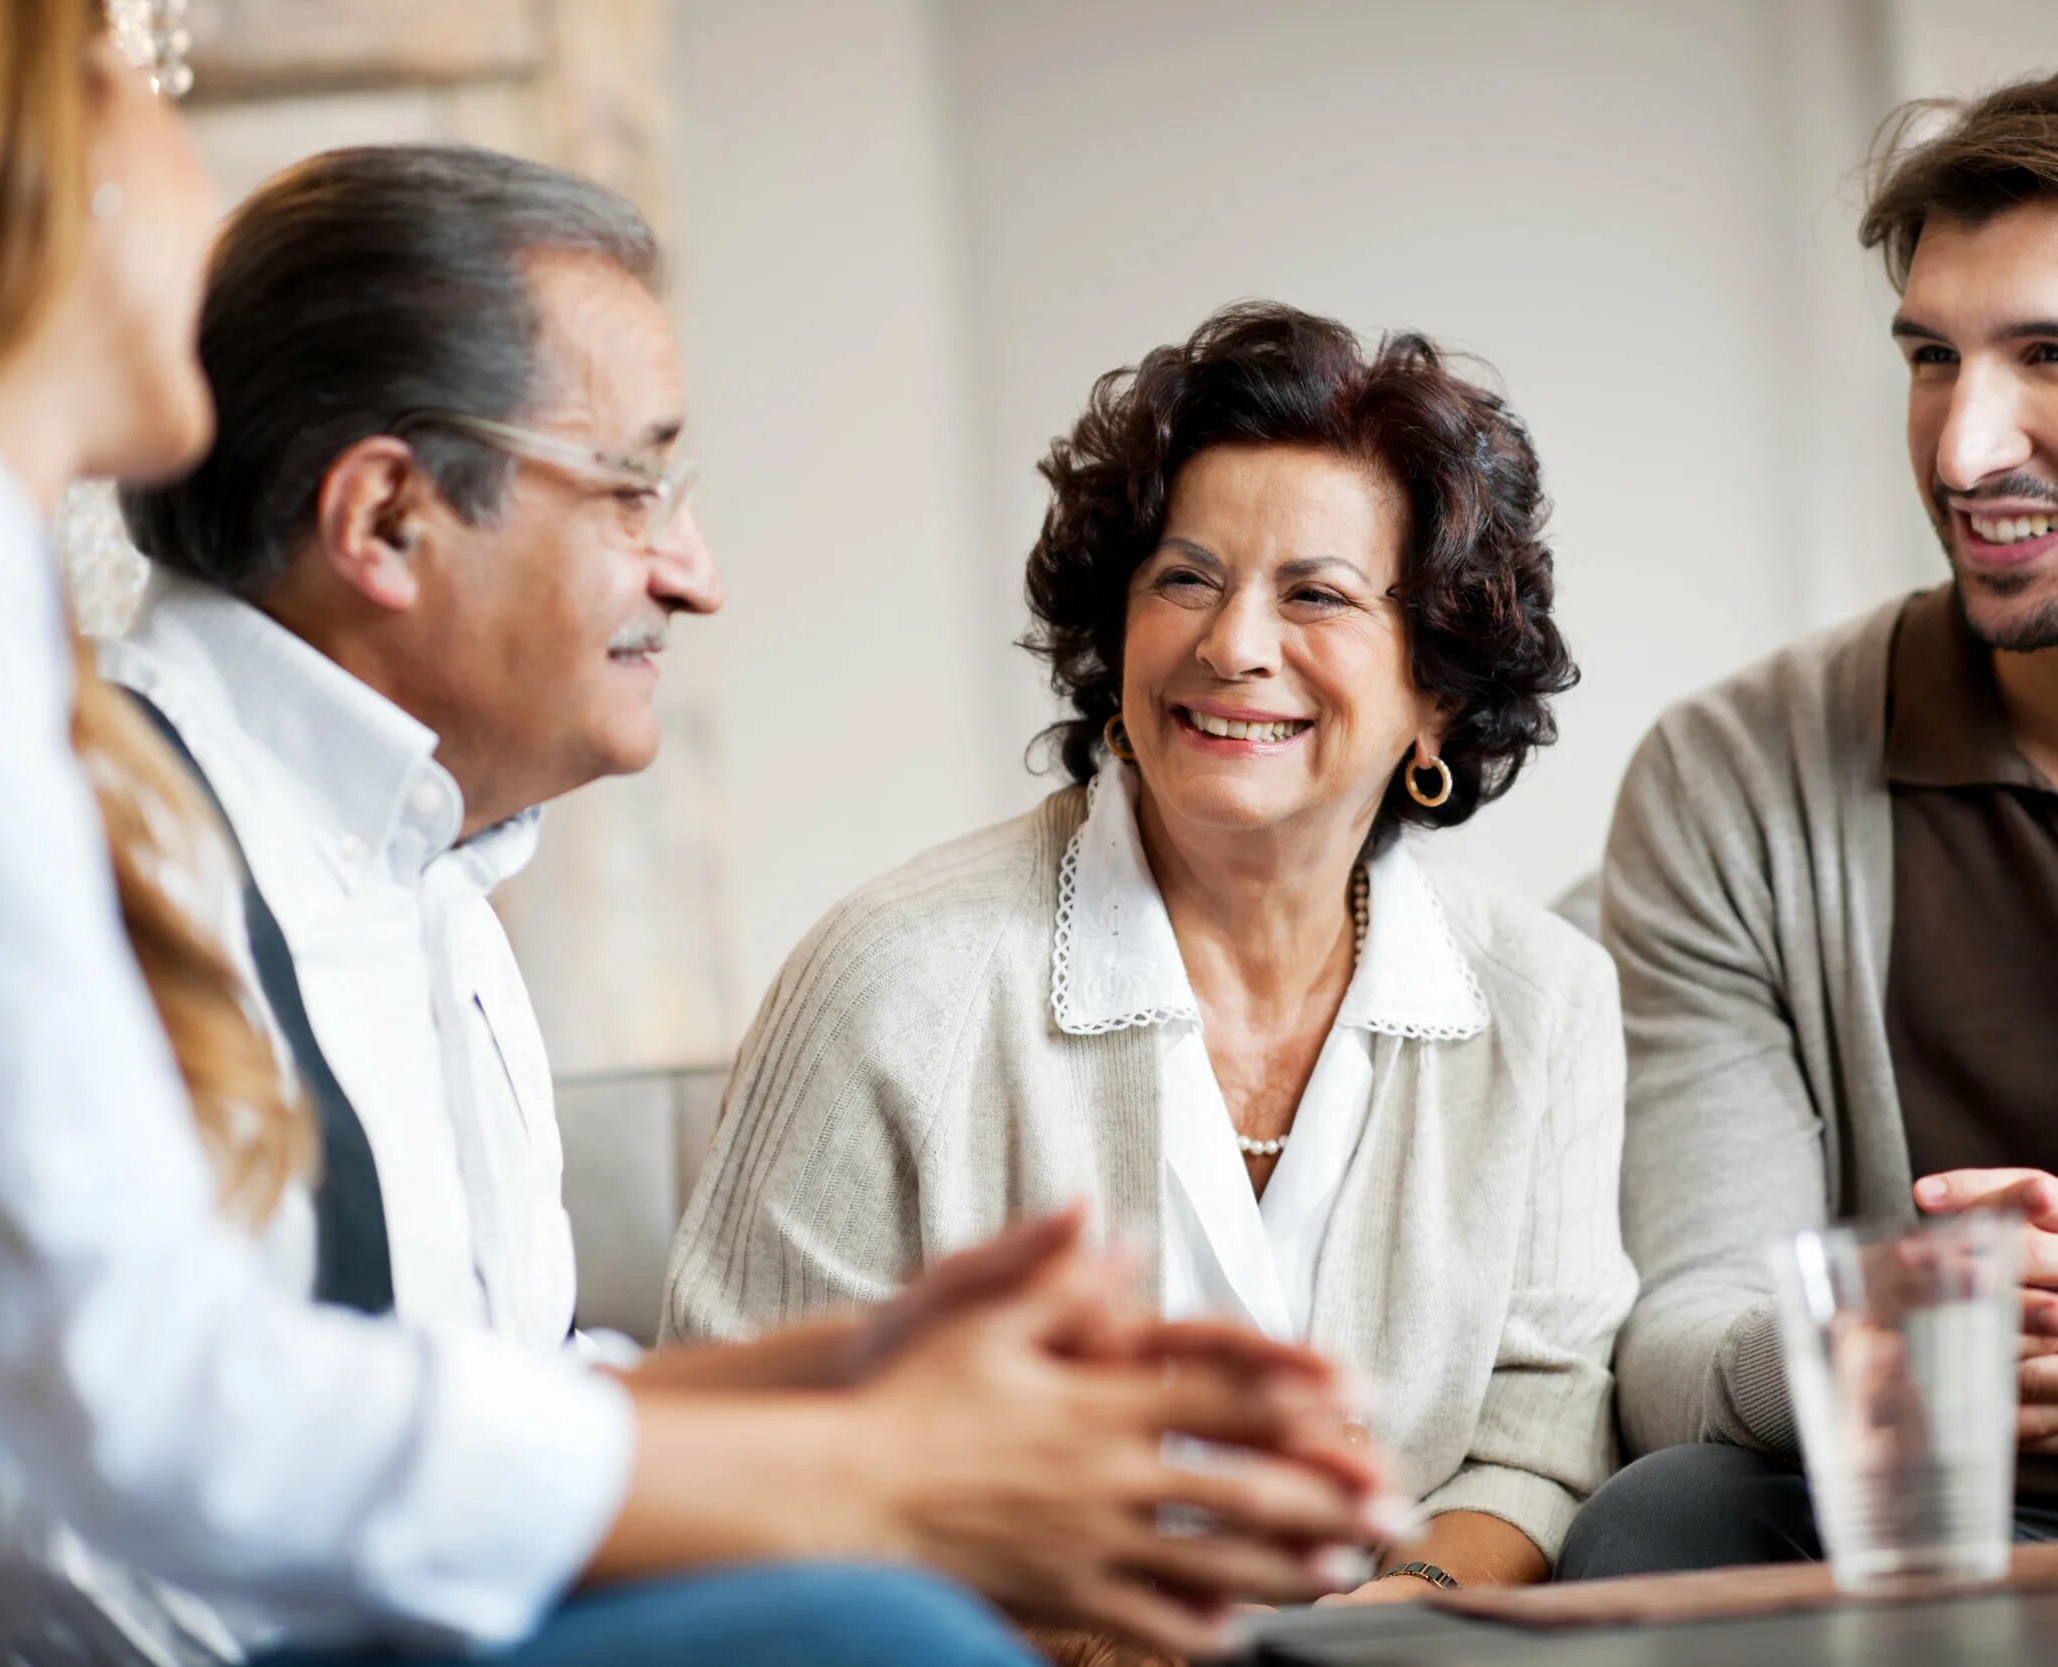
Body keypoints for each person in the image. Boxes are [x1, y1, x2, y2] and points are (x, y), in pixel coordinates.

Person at [0, 6, 1398, 1664]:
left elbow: (464, 1392)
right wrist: (871, 1476)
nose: (697, 571)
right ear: (389, 521)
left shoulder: (434, 876)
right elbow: (116, 1497)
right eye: (633, 487)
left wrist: (859, 1378)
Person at [666, 302, 1639, 1657]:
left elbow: (1542, 1428)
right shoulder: (900, 975)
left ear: (1439, 692)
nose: (1235, 644)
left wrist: (1396, 1618)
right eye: (1185, 578)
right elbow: (746, 1455)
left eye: (1316, 594)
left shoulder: (1546, 1000)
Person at [1564, 45, 2058, 1579]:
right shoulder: (1737, 779)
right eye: (1930, 359)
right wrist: (1916, 1336)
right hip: (1953, 1515)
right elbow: (1679, 1341)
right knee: (1663, 1520)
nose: (1965, 451)